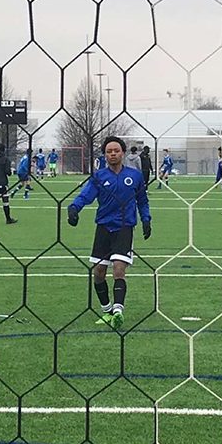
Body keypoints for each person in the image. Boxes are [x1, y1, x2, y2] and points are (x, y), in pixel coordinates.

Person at [67, 136, 151, 331]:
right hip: (104, 227)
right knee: (98, 272)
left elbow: (142, 201)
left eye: (116, 150)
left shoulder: (135, 176)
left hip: (124, 227)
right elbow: (86, 195)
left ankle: (118, 311)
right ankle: (107, 311)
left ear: (122, 153)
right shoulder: (99, 177)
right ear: (105, 155)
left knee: (119, 269)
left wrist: (146, 219)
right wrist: (74, 208)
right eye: (108, 151)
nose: (112, 154)